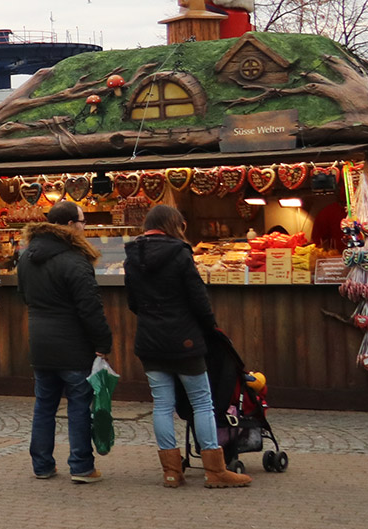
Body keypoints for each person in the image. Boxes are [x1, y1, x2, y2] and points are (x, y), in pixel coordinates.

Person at [123, 203, 250, 489]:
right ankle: (215, 471)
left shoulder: (132, 256)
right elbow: (199, 300)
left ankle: (171, 471)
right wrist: (209, 328)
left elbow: (132, 302)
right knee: (202, 402)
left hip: (149, 340)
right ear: (174, 225)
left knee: (163, 405)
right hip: (185, 339)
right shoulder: (180, 254)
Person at [17, 200, 113, 483]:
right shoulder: (75, 260)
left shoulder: (26, 256)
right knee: (78, 405)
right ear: (71, 225)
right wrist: (103, 343)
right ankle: (81, 465)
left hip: (40, 342)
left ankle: (42, 464)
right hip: (73, 345)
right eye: (82, 222)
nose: (84, 227)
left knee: (44, 405)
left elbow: (23, 295)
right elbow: (90, 307)